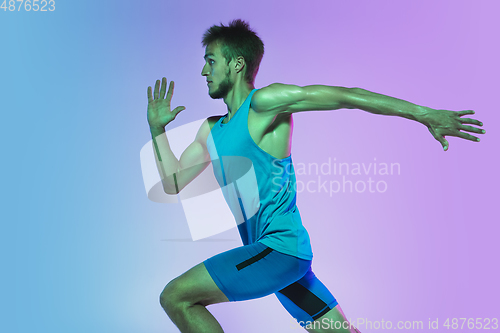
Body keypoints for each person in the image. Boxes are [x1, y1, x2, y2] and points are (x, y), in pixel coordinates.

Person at [146, 19, 485, 333]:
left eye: (211, 60)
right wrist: (157, 128)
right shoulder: (210, 130)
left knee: (176, 296)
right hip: (275, 259)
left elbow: (346, 96)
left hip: (278, 251)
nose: (204, 71)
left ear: (237, 64)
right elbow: (173, 182)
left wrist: (424, 114)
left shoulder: (264, 103)